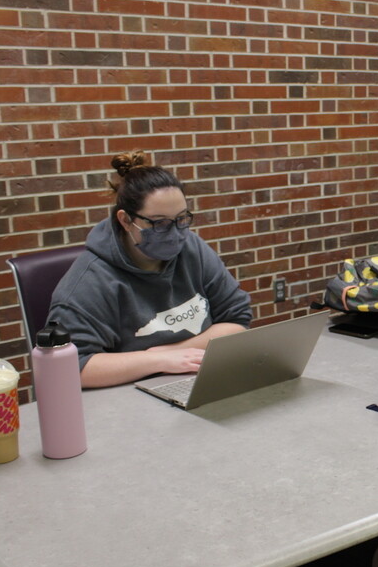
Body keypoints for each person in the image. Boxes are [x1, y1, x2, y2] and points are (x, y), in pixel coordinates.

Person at [47, 151, 252, 389]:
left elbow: (238, 320)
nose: (176, 235)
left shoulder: (192, 248)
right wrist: (157, 360)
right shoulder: (89, 281)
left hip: (197, 381)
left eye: (182, 219)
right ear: (125, 220)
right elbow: (71, 368)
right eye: (160, 223)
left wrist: (175, 352)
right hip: (128, 398)